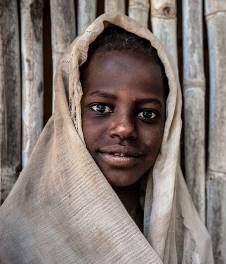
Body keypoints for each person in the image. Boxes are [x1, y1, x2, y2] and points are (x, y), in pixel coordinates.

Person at [0, 13, 213, 264]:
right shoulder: (19, 241)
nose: (124, 128)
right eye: (101, 108)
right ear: (71, 113)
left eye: (147, 113)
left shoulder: (189, 245)